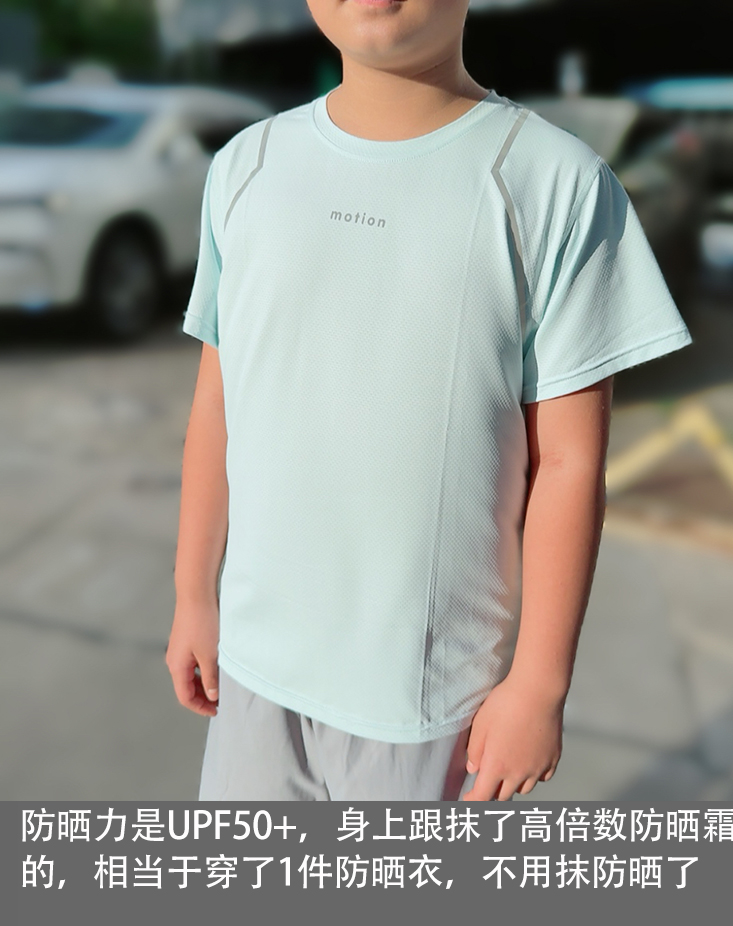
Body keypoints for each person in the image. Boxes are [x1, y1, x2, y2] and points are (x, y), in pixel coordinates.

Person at [166, 0, 693, 802]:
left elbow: (568, 461)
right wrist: (193, 595)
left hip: (431, 699)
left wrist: (539, 683)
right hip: (252, 667)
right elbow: (218, 406)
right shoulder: (248, 165)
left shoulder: (552, 180)